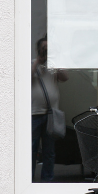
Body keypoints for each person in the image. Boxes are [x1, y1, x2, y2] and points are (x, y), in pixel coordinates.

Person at [31, 36, 68, 181]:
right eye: (43, 48)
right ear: (38, 50)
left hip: (51, 115)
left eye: (48, 49)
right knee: (31, 150)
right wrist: (38, 62)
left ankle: (47, 180)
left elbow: (65, 77)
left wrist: (54, 60)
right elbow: (24, 79)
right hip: (33, 114)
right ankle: (28, 180)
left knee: (49, 152)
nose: (45, 51)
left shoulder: (53, 66)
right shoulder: (31, 64)